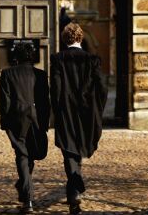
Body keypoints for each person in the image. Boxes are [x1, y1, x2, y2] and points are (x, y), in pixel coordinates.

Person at [50, 23, 108, 215]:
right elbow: (102, 87)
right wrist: (97, 107)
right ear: (81, 38)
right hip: (86, 112)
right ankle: (74, 189)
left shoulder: (58, 59)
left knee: (69, 150)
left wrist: (56, 109)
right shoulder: (92, 59)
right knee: (77, 149)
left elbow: (56, 87)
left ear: (65, 39)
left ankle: (74, 191)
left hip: (66, 110)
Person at [0, 43, 50, 213]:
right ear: (32, 56)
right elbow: (45, 102)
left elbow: (5, 102)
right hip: (36, 118)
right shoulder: (41, 75)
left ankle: (27, 197)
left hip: (16, 119)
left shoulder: (7, 73)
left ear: (16, 57)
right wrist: (45, 122)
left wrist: (4, 123)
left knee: (23, 155)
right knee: (27, 155)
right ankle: (25, 187)